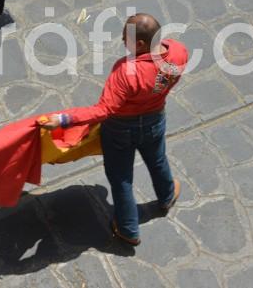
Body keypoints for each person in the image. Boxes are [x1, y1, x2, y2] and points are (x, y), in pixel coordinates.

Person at [39, 13, 188, 246]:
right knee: (157, 160)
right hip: (155, 121)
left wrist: (64, 119)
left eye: (124, 37)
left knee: (121, 179)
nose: (121, 40)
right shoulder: (179, 52)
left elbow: (103, 110)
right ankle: (167, 196)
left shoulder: (125, 71)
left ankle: (128, 229)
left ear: (139, 44)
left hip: (120, 130)